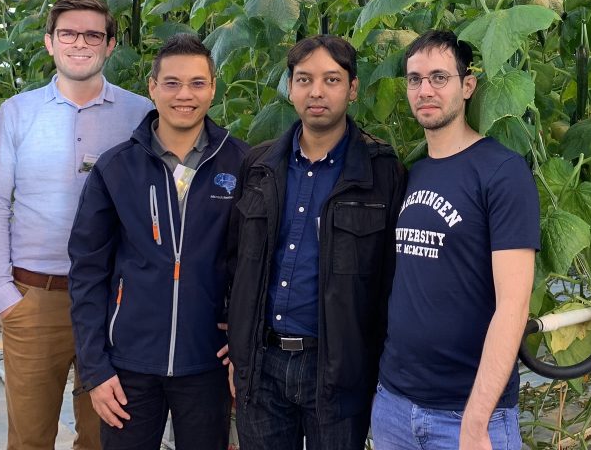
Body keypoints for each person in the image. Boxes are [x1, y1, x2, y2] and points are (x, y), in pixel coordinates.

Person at [0, 0, 153, 450]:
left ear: (111, 44)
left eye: (93, 34)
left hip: (116, 301)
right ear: (50, 42)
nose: (80, 43)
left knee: (105, 436)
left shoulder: (139, 115)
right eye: (68, 33)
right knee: (30, 438)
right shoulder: (18, 113)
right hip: (36, 299)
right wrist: (1, 293)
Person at [67, 33, 249, 450]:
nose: (184, 95)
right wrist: (95, 370)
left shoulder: (243, 164)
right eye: (171, 83)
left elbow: (251, 266)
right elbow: (88, 273)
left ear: (213, 87)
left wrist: (241, 346)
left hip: (207, 363)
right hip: (128, 365)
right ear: (152, 87)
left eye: (197, 83)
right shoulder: (116, 168)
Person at [228, 35, 405, 450]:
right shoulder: (259, 165)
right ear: (290, 87)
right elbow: (235, 265)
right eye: (305, 79)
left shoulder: (382, 172)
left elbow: (391, 280)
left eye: (332, 79)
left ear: (353, 88)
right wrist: (236, 350)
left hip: (338, 368)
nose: (317, 92)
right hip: (262, 363)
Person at [372, 30, 541, 450]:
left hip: (466, 415)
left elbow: (513, 307)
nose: (424, 90)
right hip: (394, 404)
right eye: (414, 79)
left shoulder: (502, 172)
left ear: (467, 86)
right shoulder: (412, 173)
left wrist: (476, 421)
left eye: (438, 77)